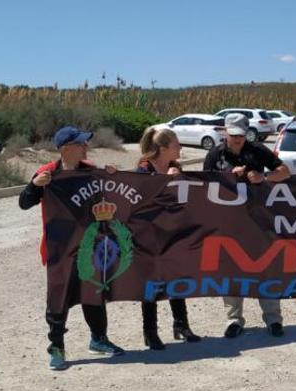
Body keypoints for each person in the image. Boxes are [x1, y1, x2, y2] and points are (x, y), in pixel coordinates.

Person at [19, 126, 124, 370]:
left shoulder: (90, 171)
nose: (85, 147)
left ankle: (99, 339)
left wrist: (112, 175)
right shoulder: (48, 173)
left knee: (94, 294)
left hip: (90, 246)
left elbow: (115, 195)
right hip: (59, 249)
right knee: (58, 298)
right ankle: (56, 347)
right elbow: (24, 203)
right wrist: (34, 186)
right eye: (80, 144)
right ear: (66, 149)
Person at [203, 114, 291, 338]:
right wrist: (226, 177)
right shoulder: (214, 154)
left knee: (267, 267)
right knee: (231, 270)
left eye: (240, 135)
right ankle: (234, 319)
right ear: (225, 132)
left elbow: (285, 172)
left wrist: (264, 177)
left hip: (258, 220)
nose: (237, 140)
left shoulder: (258, 150)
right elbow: (203, 185)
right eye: (233, 135)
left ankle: (273, 319)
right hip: (228, 222)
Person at [135, 127, 201, 349]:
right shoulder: (143, 169)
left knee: (177, 279)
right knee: (152, 283)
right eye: (176, 145)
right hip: (150, 235)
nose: (180, 147)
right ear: (163, 149)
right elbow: (143, 201)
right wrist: (165, 180)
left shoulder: (176, 168)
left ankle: (181, 325)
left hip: (173, 233)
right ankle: (150, 331)